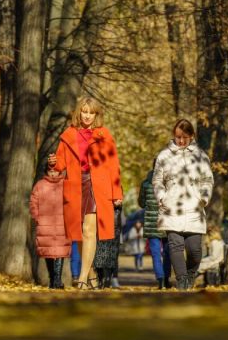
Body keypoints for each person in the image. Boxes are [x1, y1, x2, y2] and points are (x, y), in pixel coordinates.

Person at [48, 96, 123, 290]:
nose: (88, 116)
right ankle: (91, 275)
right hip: (75, 184)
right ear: (78, 112)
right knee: (79, 233)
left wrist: (117, 193)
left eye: (92, 112)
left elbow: (113, 166)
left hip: (97, 185)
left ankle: (81, 277)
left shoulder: (104, 135)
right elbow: (60, 164)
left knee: (90, 230)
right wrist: (53, 162)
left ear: (96, 115)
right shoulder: (69, 134)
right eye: (84, 111)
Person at [153, 119, 214, 290]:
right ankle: (181, 281)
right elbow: (157, 180)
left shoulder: (201, 156)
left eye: (184, 138)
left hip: (194, 207)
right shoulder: (164, 156)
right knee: (175, 245)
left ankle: (191, 274)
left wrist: (204, 197)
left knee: (194, 250)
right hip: (171, 208)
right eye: (178, 137)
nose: (180, 141)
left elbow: (208, 180)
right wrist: (161, 197)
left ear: (191, 136)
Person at [30, 168, 71, 289]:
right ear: (46, 172)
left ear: (60, 171)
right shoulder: (40, 185)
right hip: (45, 224)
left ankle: (57, 280)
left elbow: (71, 201)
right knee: (48, 252)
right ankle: (52, 278)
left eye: (55, 170)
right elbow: (33, 202)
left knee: (60, 251)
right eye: (50, 171)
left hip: (62, 223)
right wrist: (37, 216)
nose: (53, 173)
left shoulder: (65, 184)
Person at [138, 167, 172, 289]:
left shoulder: (146, 183)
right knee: (168, 253)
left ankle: (160, 280)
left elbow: (141, 203)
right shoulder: (170, 182)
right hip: (168, 222)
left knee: (156, 253)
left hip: (151, 224)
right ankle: (167, 278)